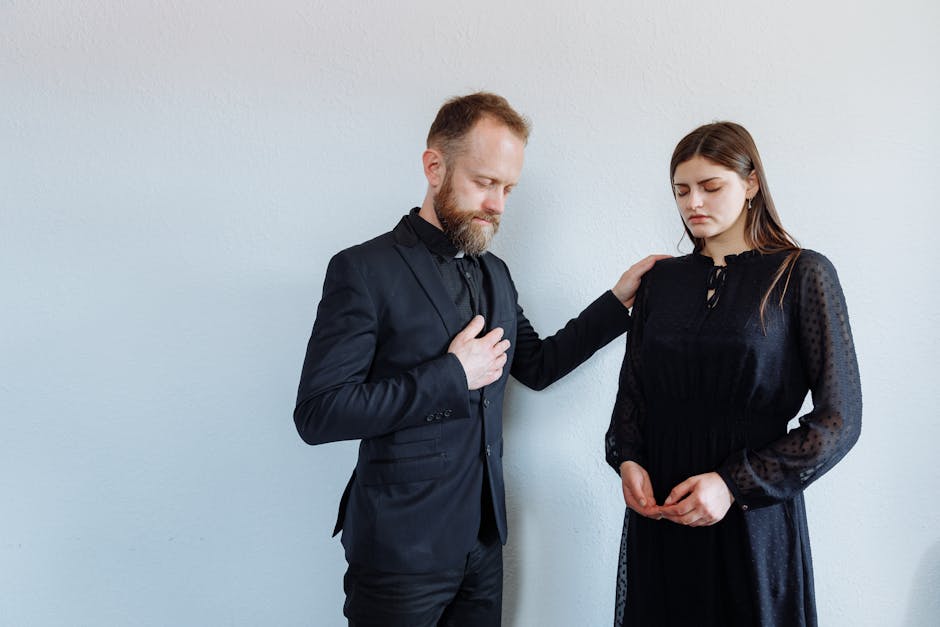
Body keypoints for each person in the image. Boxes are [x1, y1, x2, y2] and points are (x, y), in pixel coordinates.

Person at [294, 92, 663, 627]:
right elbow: (319, 413)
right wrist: (450, 375)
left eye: (508, 188)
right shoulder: (363, 270)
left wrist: (617, 302)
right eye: (485, 183)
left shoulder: (496, 274)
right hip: (399, 553)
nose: (498, 205)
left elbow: (536, 365)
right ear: (434, 166)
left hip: (484, 548)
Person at [605, 121, 862, 626]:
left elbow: (840, 419)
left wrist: (732, 483)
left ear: (750, 184)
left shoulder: (802, 274)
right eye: (681, 190)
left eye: (710, 186)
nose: (692, 203)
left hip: (751, 514)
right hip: (663, 509)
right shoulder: (663, 281)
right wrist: (628, 458)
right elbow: (634, 387)